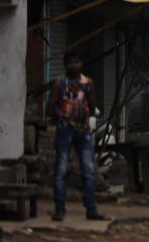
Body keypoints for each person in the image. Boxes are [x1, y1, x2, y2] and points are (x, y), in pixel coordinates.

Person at [46, 50, 107, 221]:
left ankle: (91, 209)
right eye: (71, 62)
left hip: (83, 131)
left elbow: (93, 103)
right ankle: (59, 209)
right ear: (66, 64)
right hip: (65, 130)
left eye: (77, 62)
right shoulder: (60, 83)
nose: (74, 65)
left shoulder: (88, 83)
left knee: (87, 171)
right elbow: (50, 105)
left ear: (81, 63)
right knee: (61, 171)